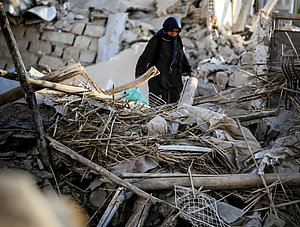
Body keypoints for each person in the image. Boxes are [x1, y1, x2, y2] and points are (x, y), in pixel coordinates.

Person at [135, 16, 195, 106]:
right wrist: (139, 75)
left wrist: (189, 70)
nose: (174, 34)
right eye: (172, 31)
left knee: (175, 105)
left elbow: (181, 56)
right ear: (166, 28)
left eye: (176, 31)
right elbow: (145, 57)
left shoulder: (177, 40)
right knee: (158, 106)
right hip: (159, 79)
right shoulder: (157, 40)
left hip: (174, 79)